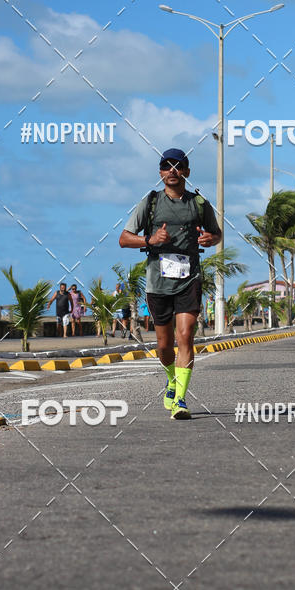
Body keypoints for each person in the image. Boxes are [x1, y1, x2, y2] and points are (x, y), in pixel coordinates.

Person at [118, 148, 221, 420]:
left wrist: (211, 239)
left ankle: (181, 400)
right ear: (161, 172)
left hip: (190, 279)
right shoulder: (150, 203)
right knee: (164, 345)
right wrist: (150, 240)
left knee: (186, 336)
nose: (172, 170)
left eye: (178, 166)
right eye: (166, 166)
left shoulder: (199, 204)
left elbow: (216, 233)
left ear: (186, 171)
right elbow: (124, 238)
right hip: (158, 282)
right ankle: (171, 379)